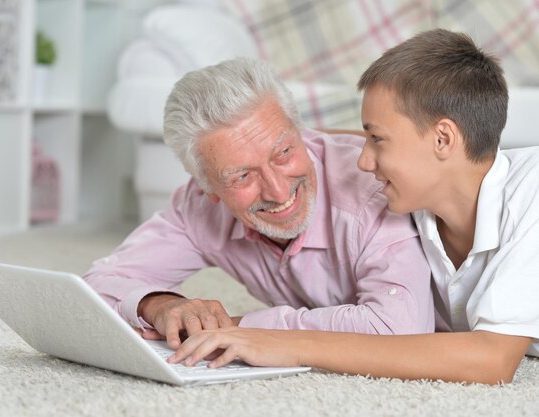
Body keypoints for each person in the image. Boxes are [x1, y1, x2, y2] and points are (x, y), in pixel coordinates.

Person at [168, 29, 539, 385]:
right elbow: (327, 146)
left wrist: (281, 341)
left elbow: (491, 361)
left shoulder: (531, 195)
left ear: (443, 139)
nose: (364, 161)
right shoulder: (421, 205)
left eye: (377, 138)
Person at [83, 57, 434, 350]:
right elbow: (96, 284)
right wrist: (158, 304)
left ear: (302, 133)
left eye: (283, 153)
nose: (279, 192)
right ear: (208, 188)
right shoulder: (200, 207)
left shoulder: (372, 190)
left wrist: (240, 328)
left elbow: (400, 330)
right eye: (242, 177)